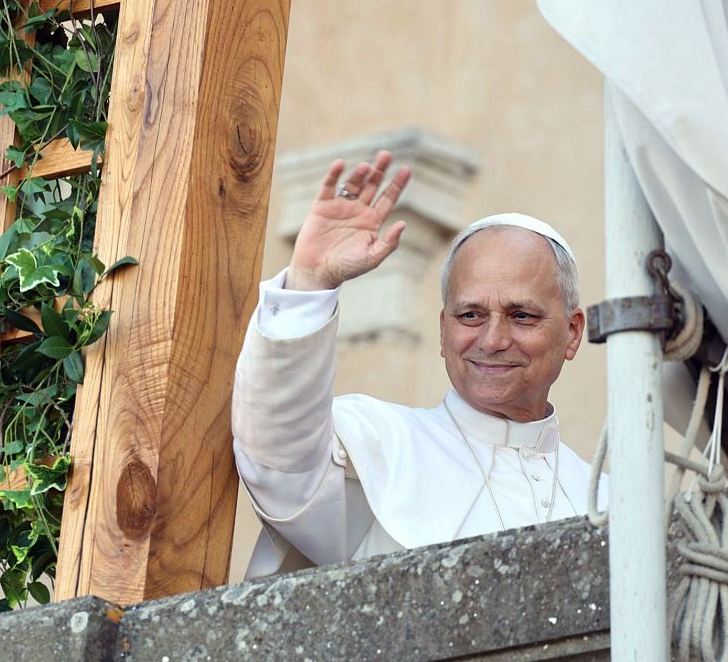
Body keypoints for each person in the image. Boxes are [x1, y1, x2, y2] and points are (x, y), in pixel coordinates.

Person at [233, 150, 604, 576]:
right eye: (471, 315)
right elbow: (278, 460)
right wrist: (309, 283)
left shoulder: (611, 500)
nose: (493, 339)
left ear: (572, 332)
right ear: (444, 331)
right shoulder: (379, 443)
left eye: (522, 315)